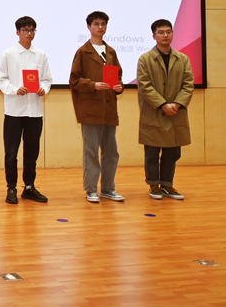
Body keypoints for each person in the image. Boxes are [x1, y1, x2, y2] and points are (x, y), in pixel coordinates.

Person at [69, 11, 125, 203]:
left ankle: (108, 188)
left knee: (111, 151)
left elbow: (118, 77)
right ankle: (91, 189)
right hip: (91, 110)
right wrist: (93, 85)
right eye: (96, 24)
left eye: (103, 24)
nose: (100, 27)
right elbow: (74, 80)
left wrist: (119, 87)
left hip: (109, 109)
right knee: (91, 151)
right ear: (89, 27)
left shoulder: (111, 52)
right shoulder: (83, 52)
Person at [0, 16, 52, 204]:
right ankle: (11, 187)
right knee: (11, 153)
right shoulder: (9, 54)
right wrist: (14, 90)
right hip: (14, 111)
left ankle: (29, 187)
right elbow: (1, 79)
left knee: (32, 152)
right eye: (26, 30)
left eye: (32, 30)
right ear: (17, 32)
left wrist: (44, 89)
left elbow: (47, 79)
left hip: (35, 111)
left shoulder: (41, 55)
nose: (29, 33)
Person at [137, 19, 194, 200]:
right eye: (161, 32)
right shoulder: (145, 59)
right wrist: (162, 104)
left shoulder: (183, 59)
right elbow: (145, 86)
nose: (165, 35)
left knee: (173, 152)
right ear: (154, 36)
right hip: (153, 112)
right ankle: (154, 185)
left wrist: (176, 103)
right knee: (152, 153)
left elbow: (188, 84)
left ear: (172, 34)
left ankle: (167, 185)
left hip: (175, 113)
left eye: (168, 32)